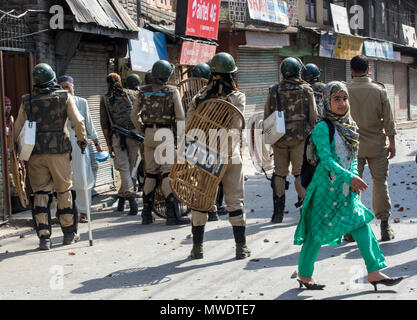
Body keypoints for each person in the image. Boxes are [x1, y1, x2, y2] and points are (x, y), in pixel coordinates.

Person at [293, 81, 403, 291]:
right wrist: (348, 177)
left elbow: (353, 157)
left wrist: (353, 175)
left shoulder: (349, 125)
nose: (342, 103)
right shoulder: (322, 128)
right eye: (336, 99)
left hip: (345, 190)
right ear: (327, 101)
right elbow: (326, 160)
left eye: (344, 98)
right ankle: (304, 275)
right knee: (316, 233)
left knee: (360, 224)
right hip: (324, 190)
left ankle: (374, 271)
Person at [13, 63, 87, 250]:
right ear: (53, 77)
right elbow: (77, 121)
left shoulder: (27, 100)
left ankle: (44, 238)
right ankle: (69, 234)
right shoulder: (64, 97)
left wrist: (18, 152)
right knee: (64, 191)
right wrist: (81, 139)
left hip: (35, 154)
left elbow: (17, 129)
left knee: (40, 194)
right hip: (60, 153)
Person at [187, 52, 251, 260]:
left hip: (205, 154)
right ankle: (241, 248)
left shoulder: (198, 99)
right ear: (231, 75)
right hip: (230, 153)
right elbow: (237, 125)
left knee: (201, 200)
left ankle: (197, 248)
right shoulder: (237, 97)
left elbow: (188, 128)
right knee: (234, 200)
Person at [131, 60, 190, 226]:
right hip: (166, 134)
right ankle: (173, 214)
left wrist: (143, 129)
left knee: (150, 173)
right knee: (166, 173)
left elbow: (134, 115)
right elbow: (180, 117)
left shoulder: (142, 91)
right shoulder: (172, 91)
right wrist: (179, 139)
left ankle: (147, 214)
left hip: (148, 134)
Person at [346, 55, 397, 242]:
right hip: (377, 145)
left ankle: (351, 229)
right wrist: (392, 143)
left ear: (351, 71)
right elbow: (389, 120)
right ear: (369, 70)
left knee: (352, 186)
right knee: (380, 183)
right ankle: (384, 227)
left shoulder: (344, 91)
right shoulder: (379, 90)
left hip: (352, 148)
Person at [264, 57, 317, 224]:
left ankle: (277, 213)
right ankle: (305, 211)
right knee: (299, 173)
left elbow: (267, 115)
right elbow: (313, 117)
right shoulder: (306, 90)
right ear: (298, 71)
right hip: (300, 139)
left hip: (279, 139)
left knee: (279, 174)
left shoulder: (274, 90)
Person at [58, 75, 103, 223]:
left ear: (73, 87)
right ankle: (67, 211)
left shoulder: (81, 102)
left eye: (67, 87)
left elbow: (89, 123)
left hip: (79, 144)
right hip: (61, 146)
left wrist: (97, 143)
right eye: (62, 87)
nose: (65, 90)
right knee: (63, 178)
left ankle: (83, 211)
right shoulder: (56, 102)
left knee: (82, 177)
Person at [100, 73, 140, 215]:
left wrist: (109, 145)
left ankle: (126, 196)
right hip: (134, 135)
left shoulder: (105, 99)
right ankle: (128, 196)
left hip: (117, 137)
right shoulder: (132, 94)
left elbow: (104, 125)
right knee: (132, 168)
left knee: (124, 168)